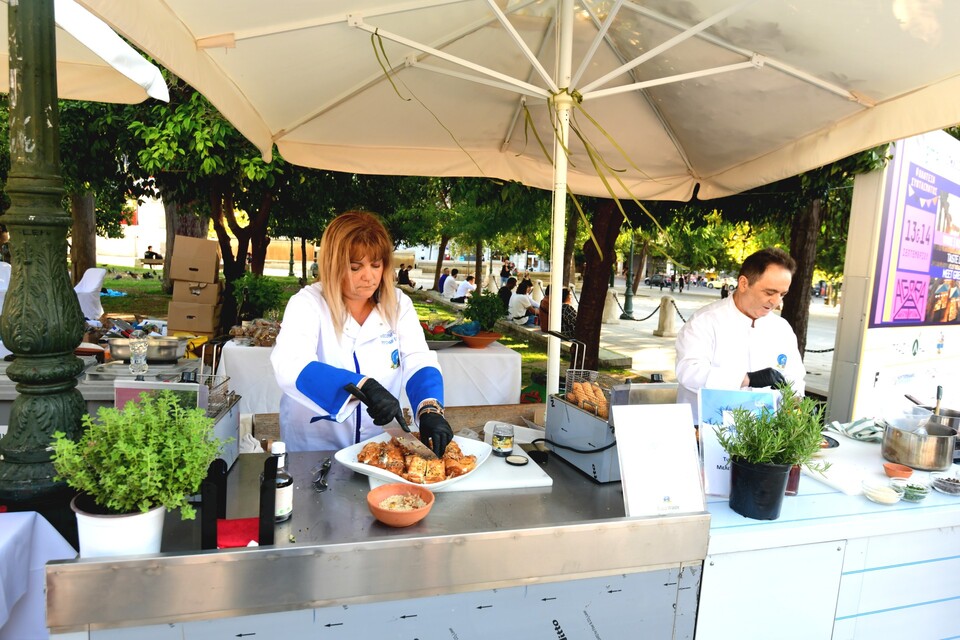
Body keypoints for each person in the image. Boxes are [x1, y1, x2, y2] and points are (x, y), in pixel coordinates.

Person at [271, 211, 453, 455]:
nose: (369, 276)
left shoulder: (399, 304)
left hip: (379, 446)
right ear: (333, 266)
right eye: (355, 267)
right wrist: (362, 386)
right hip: (316, 447)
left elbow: (417, 359)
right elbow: (291, 365)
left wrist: (429, 409)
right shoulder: (307, 304)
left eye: (376, 265)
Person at [675, 247, 806, 424]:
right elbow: (689, 372)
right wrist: (746, 379)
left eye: (782, 294)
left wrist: (796, 406)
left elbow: (794, 377)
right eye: (769, 292)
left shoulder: (781, 329)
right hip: (707, 428)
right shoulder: (705, 321)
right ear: (744, 283)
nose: (776, 302)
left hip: (763, 432)